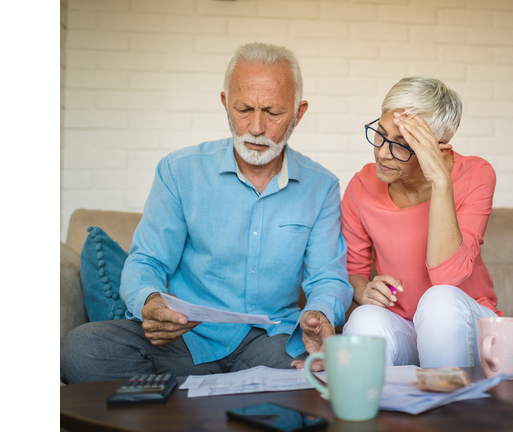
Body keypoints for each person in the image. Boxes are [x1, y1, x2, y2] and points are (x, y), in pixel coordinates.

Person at [60, 43, 353, 384]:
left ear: (299, 113)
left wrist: (320, 313)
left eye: (273, 113)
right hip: (185, 340)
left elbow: (327, 278)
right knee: (80, 350)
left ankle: (185, 398)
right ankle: (228, 393)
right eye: (244, 109)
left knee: (315, 372)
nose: (256, 127)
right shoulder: (178, 171)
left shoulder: (322, 186)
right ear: (225, 103)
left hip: (270, 344)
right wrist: (150, 300)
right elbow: (148, 262)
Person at [341, 76, 502, 368]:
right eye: (380, 134)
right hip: (406, 326)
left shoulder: (476, 174)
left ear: (438, 151)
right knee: (363, 319)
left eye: (402, 145)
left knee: (439, 301)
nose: (381, 153)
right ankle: (381, 411)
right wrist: (364, 290)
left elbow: (447, 278)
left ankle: (447, 410)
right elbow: (355, 271)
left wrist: (440, 180)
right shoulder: (361, 186)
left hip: (466, 324)